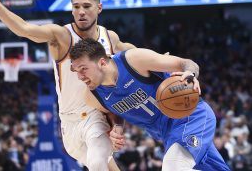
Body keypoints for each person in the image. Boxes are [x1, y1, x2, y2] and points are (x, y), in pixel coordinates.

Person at [0, 0, 135, 170]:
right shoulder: (62, 36)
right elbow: (25, 29)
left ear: (99, 8)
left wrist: (168, 66)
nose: (80, 12)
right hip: (68, 124)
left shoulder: (109, 37)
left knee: (98, 162)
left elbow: (135, 55)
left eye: (87, 6)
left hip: (96, 117)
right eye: (76, 6)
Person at [69, 38, 231, 171]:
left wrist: (190, 74)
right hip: (167, 134)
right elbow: (114, 111)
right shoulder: (92, 96)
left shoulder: (133, 60)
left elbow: (186, 63)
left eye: (83, 69)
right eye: (76, 71)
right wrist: (117, 127)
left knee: (174, 167)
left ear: (102, 62)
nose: (80, 76)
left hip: (190, 116)